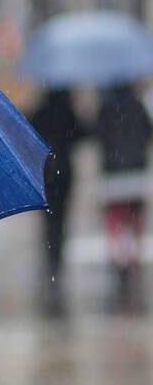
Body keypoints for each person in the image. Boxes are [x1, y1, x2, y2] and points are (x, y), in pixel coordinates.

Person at [28, 88, 87, 313]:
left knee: (48, 218)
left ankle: (50, 255)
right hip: (64, 172)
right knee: (61, 217)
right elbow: (83, 134)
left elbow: (27, 133)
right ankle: (57, 256)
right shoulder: (68, 112)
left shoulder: (40, 112)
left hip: (45, 174)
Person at [96, 84, 152, 309]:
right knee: (134, 215)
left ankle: (119, 258)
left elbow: (97, 134)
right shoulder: (138, 107)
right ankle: (133, 258)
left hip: (113, 171)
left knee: (116, 217)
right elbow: (148, 133)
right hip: (135, 169)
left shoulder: (106, 109)